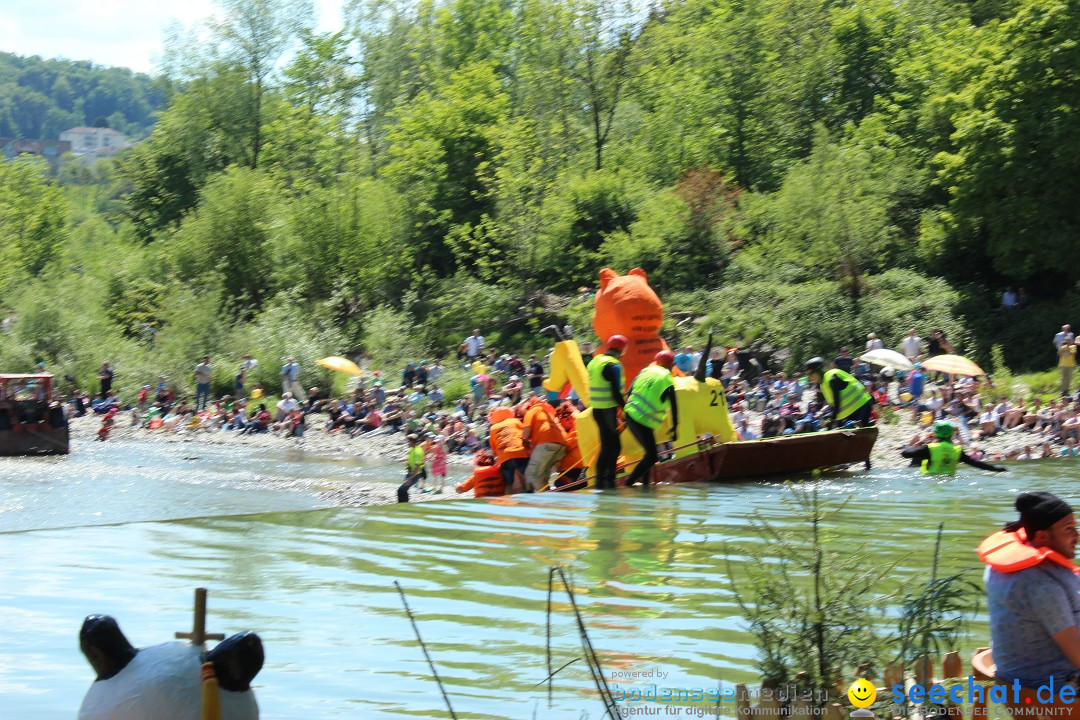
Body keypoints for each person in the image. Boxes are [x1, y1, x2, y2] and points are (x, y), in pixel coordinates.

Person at [981, 492, 1080, 718]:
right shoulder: (1042, 586)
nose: (1077, 536)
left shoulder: (1002, 567)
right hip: (1049, 688)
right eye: (1068, 529)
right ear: (1043, 537)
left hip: (1017, 674)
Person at [623, 350, 678, 487]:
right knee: (652, 456)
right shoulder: (667, 378)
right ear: (669, 365)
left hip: (630, 414)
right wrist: (675, 427)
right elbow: (674, 405)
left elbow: (629, 392)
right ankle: (628, 484)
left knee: (648, 453)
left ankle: (646, 485)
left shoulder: (645, 371)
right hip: (643, 420)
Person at [587, 334, 628, 489]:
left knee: (606, 446)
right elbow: (616, 393)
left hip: (596, 410)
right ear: (621, 350)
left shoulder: (594, 361)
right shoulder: (614, 365)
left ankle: (600, 482)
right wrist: (626, 408)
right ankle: (609, 481)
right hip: (608, 411)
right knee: (614, 447)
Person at [901, 421, 1006, 473]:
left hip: (931, 482)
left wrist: (911, 447)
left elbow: (905, 454)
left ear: (936, 434)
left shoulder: (929, 448)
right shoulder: (957, 450)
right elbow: (977, 464)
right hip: (950, 481)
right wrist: (996, 469)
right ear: (951, 434)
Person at [805, 357, 874, 428]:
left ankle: (867, 425)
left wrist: (832, 418)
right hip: (851, 410)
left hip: (862, 405)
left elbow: (837, 402)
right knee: (847, 434)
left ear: (819, 371)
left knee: (856, 432)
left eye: (810, 374)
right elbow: (832, 405)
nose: (809, 378)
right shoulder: (823, 384)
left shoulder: (831, 378)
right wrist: (829, 416)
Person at [522, 400, 567, 491]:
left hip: (547, 443)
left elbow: (525, 435)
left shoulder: (532, 411)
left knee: (532, 474)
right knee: (543, 476)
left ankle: (545, 500)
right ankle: (549, 496)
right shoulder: (546, 412)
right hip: (562, 444)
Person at [488, 406, 531, 492]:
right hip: (519, 453)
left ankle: (514, 499)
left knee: (510, 483)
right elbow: (525, 436)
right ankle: (531, 494)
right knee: (527, 479)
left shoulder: (493, 428)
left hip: (504, 458)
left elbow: (494, 450)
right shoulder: (515, 421)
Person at [397, 434, 426, 503]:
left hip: (414, 475)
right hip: (410, 473)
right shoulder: (413, 448)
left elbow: (417, 466)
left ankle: (403, 505)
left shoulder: (417, 452)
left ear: (412, 442)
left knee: (401, 490)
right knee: (403, 490)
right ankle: (405, 505)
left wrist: (410, 478)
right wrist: (402, 459)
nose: (407, 443)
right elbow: (411, 458)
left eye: (408, 441)